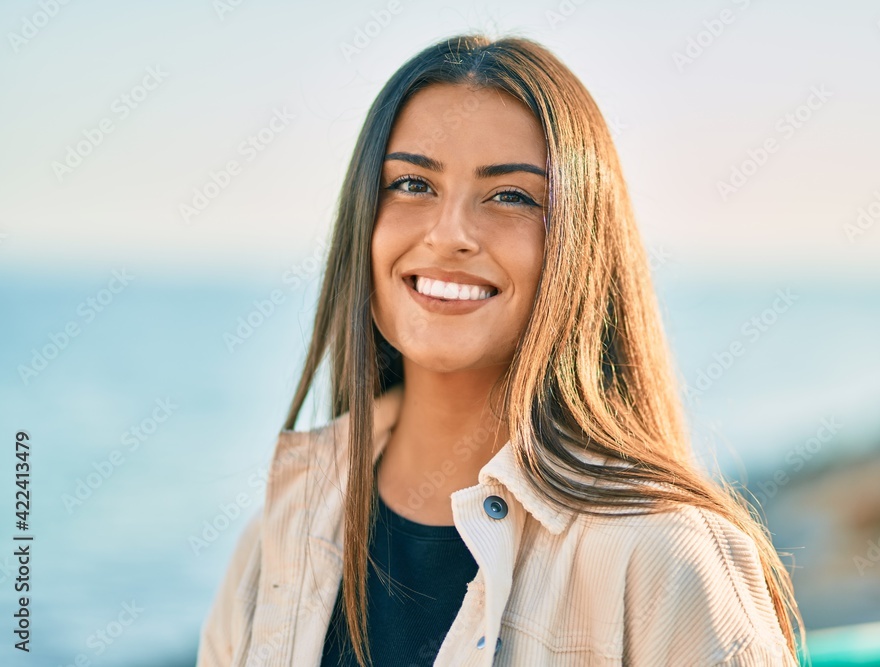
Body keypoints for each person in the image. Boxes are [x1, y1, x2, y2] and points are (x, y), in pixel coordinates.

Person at [197, 34, 803, 666]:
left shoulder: (662, 556)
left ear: (578, 246)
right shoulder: (285, 530)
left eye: (511, 196)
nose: (450, 233)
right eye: (411, 183)